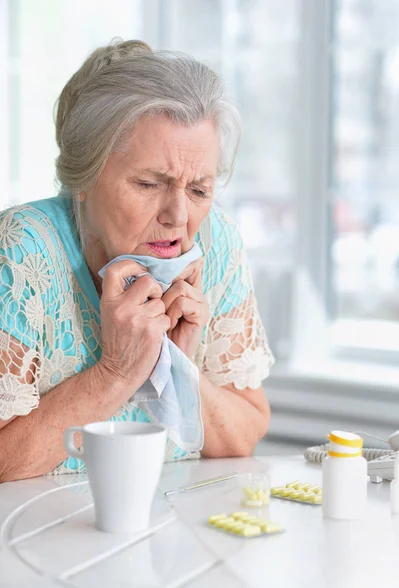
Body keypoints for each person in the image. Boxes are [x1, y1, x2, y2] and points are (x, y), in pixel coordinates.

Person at [0, 40, 274, 482]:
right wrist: (116, 373)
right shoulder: (22, 249)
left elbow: (245, 434)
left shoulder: (215, 241)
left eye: (199, 190)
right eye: (149, 183)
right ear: (83, 177)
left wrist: (179, 367)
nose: (179, 217)